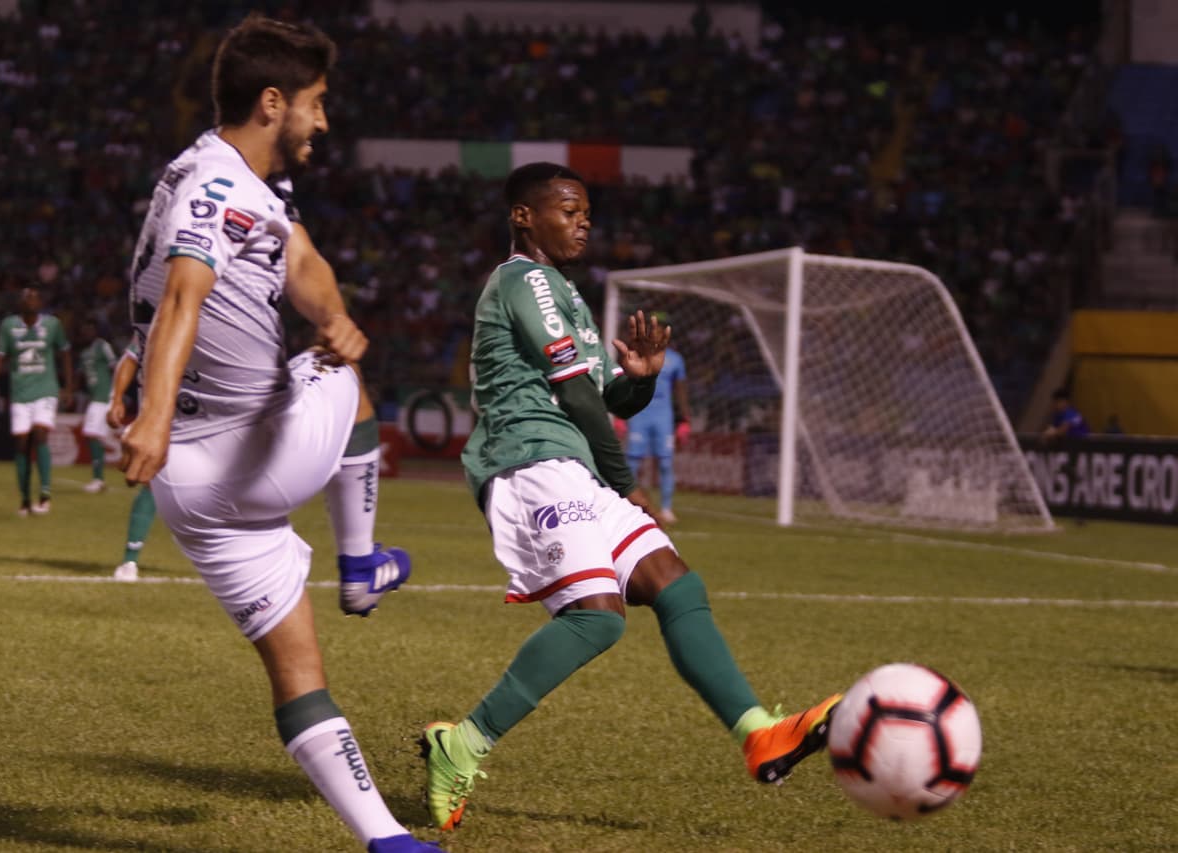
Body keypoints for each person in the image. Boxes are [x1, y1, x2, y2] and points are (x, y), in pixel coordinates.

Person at [419, 162, 841, 832]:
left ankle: (760, 731)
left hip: (570, 463)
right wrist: (624, 481)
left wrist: (640, 380)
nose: (582, 220)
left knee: (673, 583)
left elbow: (605, 394)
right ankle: (461, 744)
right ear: (524, 216)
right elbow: (579, 395)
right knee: (598, 616)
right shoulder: (521, 279)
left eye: (587, 210)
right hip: (531, 461)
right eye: (567, 208)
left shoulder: (564, 292)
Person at [116, 15, 435, 853]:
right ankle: (361, 563)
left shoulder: (206, 171)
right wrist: (150, 411)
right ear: (272, 102)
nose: (323, 122)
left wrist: (332, 311)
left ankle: (386, 839)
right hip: (249, 446)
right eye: (316, 104)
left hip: (194, 492)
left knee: (298, 673)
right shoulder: (219, 187)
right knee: (340, 373)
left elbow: (298, 263)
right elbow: (185, 291)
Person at [0, 287, 75, 515]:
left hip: (46, 389)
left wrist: (69, 386)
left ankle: (44, 494)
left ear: (41, 302)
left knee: (41, 434)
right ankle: (25, 498)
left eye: (34, 296)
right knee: (22, 443)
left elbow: (65, 353)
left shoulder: (52, 324)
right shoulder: (9, 326)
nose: (30, 300)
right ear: (19, 303)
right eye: (26, 297)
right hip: (20, 392)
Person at [624, 314, 691, 525]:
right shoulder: (637, 355)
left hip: (663, 416)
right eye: (653, 329)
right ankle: (627, 506)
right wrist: (619, 415)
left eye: (660, 329)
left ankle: (666, 508)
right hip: (639, 414)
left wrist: (685, 419)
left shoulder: (675, 359)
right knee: (633, 461)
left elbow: (680, 391)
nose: (657, 333)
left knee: (665, 462)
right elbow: (625, 382)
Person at [105, 340, 156, 582]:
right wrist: (116, 399)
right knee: (149, 480)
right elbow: (130, 358)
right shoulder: (152, 325)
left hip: (207, 415)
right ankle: (130, 560)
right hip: (162, 416)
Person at [77, 320, 117, 493]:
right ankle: (98, 479)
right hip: (95, 398)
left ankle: (98, 479)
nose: (86, 333)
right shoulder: (84, 353)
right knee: (94, 436)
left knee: (92, 435)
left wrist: (116, 394)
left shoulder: (102, 346)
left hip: (104, 396)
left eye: (90, 329)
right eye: (84, 330)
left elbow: (115, 367)